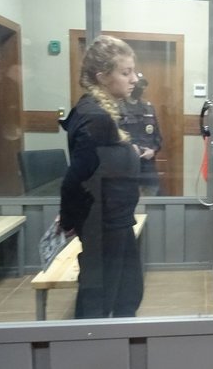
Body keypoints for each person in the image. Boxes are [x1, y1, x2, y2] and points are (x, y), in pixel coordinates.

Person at [59, 35, 144, 318]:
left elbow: (100, 165)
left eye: (133, 71)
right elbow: (76, 177)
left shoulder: (96, 111)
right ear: (102, 77)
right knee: (99, 300)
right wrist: (69, 219)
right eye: (125, 72)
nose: (134, 79)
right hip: (103, 224)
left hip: (114, 219)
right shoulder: (95, 117)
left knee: (127, 293)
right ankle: (88, 343)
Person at [118, 72, 163, 196]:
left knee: (151, 198)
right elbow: (110, 138)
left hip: (147, 166)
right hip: (125, 165)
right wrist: (129, 148)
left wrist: (153, 150)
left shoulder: (148, 108)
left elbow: (157, 137)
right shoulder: (117, 108)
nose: (140, 89)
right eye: (138, 85)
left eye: (143, 86)